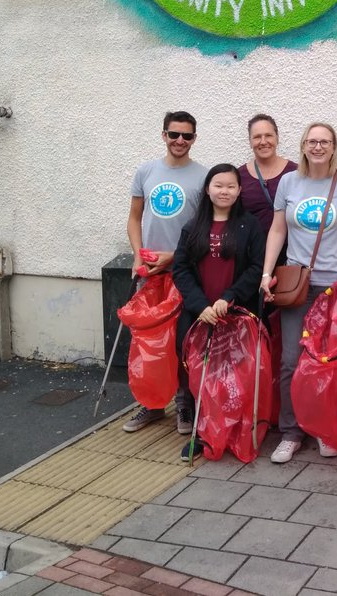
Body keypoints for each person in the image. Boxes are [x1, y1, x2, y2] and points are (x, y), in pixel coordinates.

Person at [262, 122, 337, 463]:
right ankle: (291, 432)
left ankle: (323, 428)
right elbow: (278, 230)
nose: (318, 146)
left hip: (334, 285)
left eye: (324, 141)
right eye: (312, 141)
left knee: (327, 362)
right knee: (291, 360)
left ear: (334, 147)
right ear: (303, 146)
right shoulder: (289, 182)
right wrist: (267, 272)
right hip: (297, 284)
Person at [171, 164, 267, 459]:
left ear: (239, 191)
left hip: (235, 313)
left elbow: (256, 267)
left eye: (230, 186)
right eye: (218, 185)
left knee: (235, 375)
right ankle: (203, 433)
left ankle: (235, 429)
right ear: (208, 189)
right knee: (201, 374)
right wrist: (200, 306)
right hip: (200, 314)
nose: (224, 191)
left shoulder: (250, 226)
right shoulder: (193, 226)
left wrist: (229, 297)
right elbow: (181, 268)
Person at [124, 111, 209, 433]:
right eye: (174, 134)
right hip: (150, 272)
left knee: (182, 343)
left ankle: (184, 404)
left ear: (194, 139)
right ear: (163, 135)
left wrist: (175, 256)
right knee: (148, 342)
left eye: (186, 136)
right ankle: (152, 404)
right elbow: (134, 217)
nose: (180, 141)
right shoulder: (146, 171)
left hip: (184, 272)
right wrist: (136, 256)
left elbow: (203, 229)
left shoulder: (203, 177)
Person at [239, 114, 297, 235]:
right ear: (250, 142)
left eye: (268, 135)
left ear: (277, 138)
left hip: (291, 249)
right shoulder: (239, 176)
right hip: (252, 250)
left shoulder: (296, 172)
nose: (263, 141)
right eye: (257, 137)